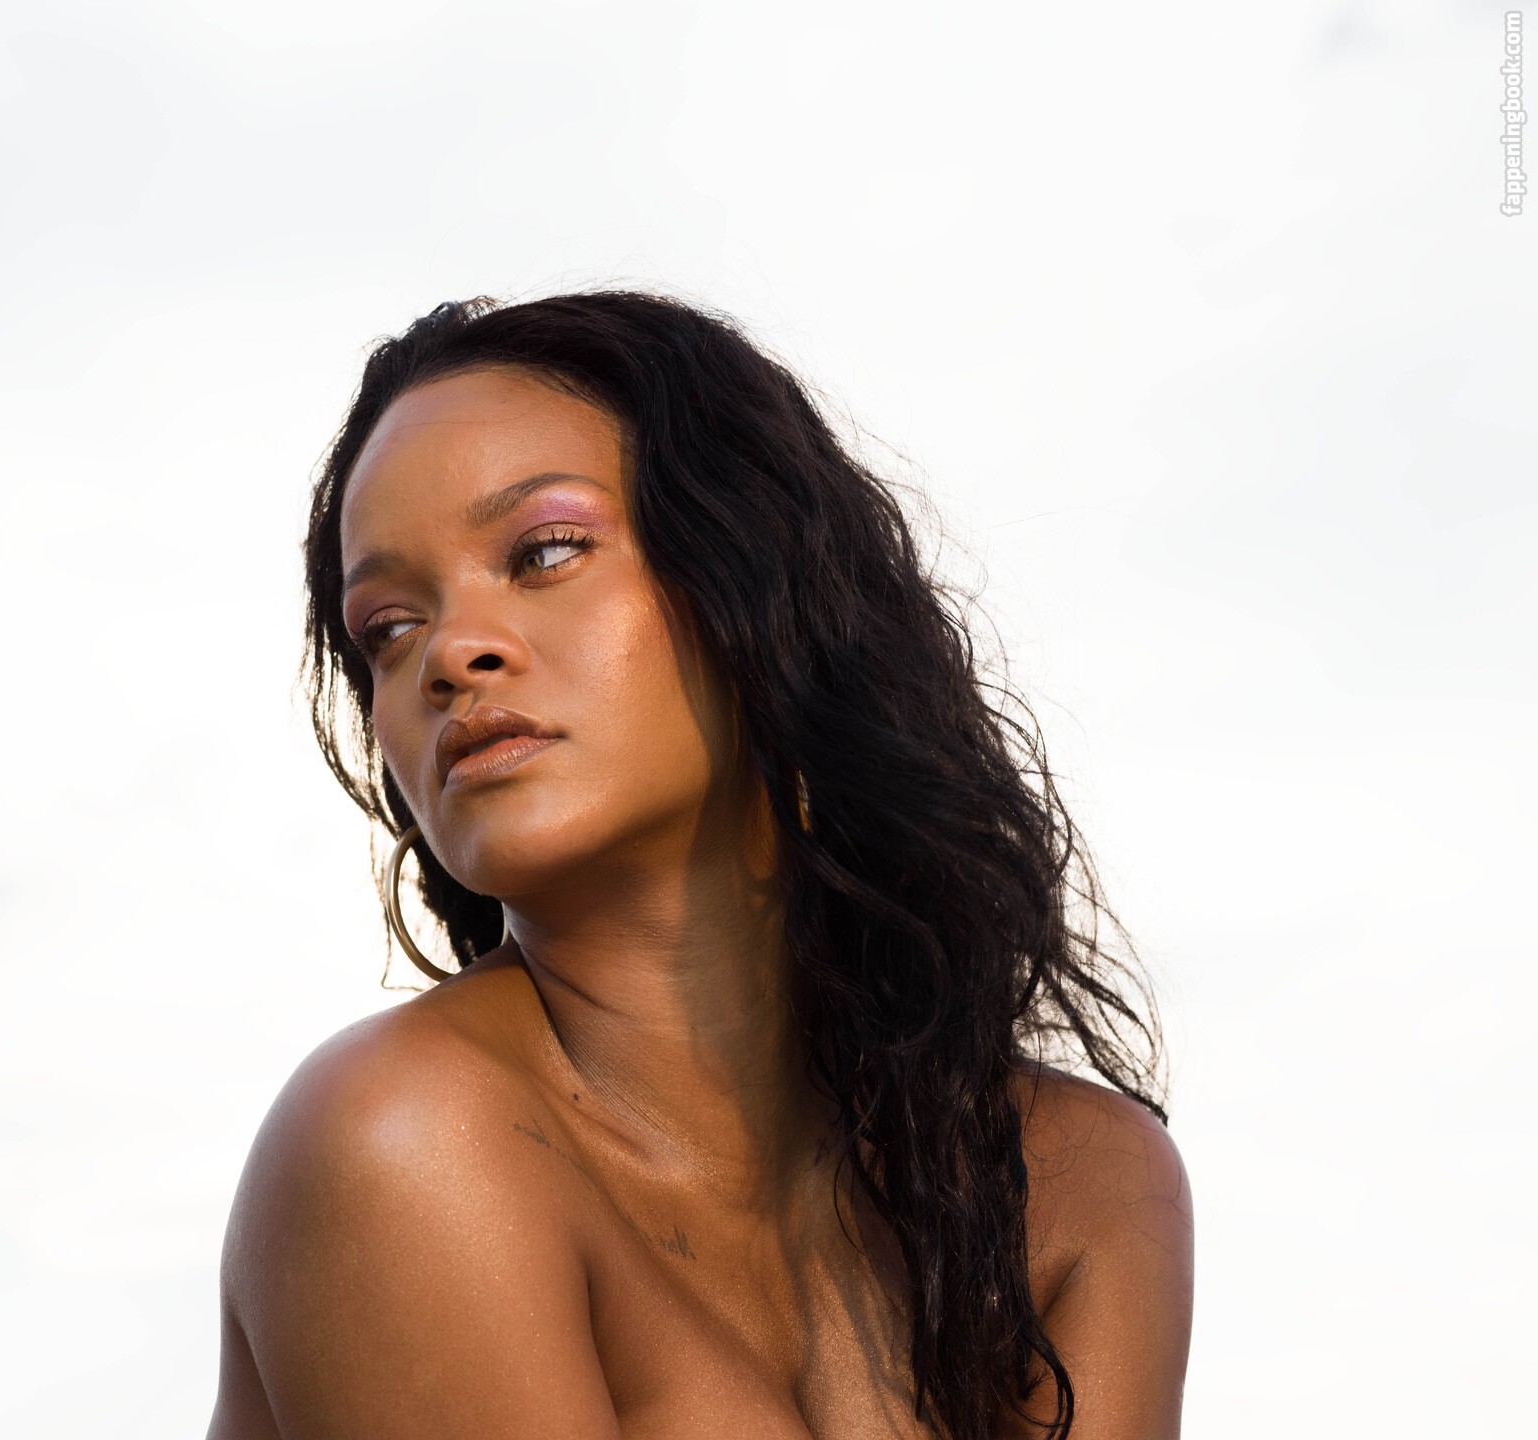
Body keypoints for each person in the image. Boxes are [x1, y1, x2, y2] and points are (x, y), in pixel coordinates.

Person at [207, 292, 1193, 1440]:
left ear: (752, 574)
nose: (451, 654)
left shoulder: (1079, 1183)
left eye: (545, 552)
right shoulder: (408, 1140)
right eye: (386, 627)